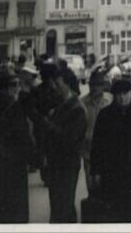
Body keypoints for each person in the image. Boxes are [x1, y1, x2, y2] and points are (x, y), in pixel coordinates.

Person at [0, 67, 36, 223]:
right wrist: (36, 159)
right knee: (14, 214)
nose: (18, 88)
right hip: (14, 168)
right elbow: (24, 139)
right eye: (15, 84)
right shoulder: (15, 107)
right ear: (10, 86)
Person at [89, 77, 131, 219]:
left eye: (125, 93)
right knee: (115, 210)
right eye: (118, 95)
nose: (122, 98)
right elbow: (97, 144)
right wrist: (95, 171)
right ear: (113, 96)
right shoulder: (105, 115)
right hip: (112, 170)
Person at [42, 62, 87, 222]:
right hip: (57, 163)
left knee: (64, 205)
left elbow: (69, 139)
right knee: (58, 205)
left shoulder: (77, 109)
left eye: (59, 84)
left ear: (67, 85)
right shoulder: (62, 104)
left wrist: (47, 124)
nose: (55, 87)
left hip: (67, 164)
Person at [81, 70, 113, 193]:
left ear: (103, 86)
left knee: (105, 181)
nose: (94, 88)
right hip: (88, 149)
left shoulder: (109, 101)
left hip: (106, 148)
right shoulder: (82, 103)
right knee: (91, 183)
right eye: (92, 85)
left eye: (98, 85)